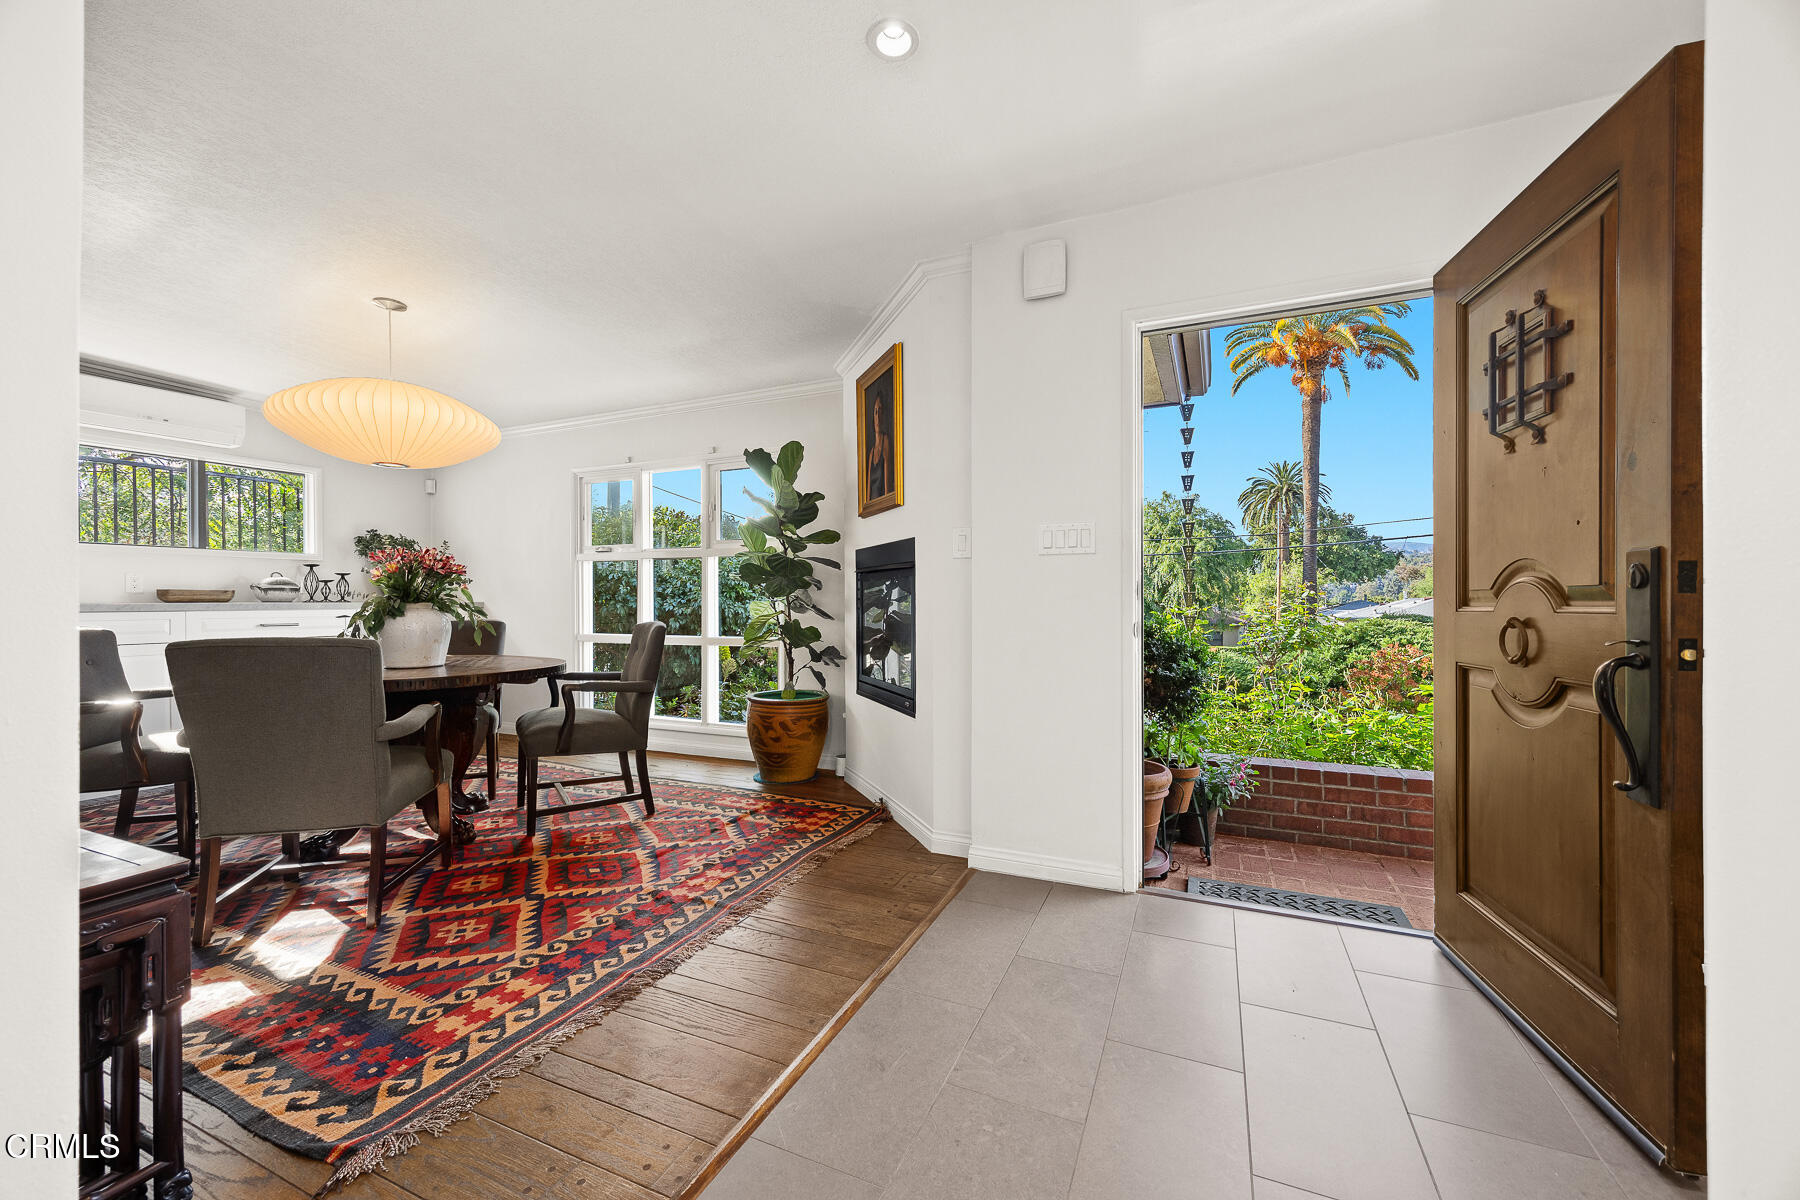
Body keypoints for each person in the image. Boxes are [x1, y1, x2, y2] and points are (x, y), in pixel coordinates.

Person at [866, 393, 893, 498]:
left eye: (880, 410)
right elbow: (867, 495)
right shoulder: (871, 453)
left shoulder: (886, 441)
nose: (878, 416)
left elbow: (887, 488)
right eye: (875, 412)